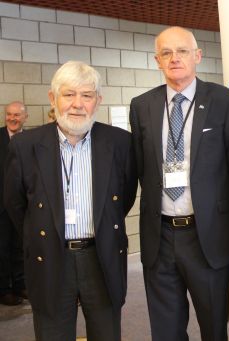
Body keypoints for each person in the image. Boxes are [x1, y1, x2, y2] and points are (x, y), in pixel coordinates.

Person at [4, 61, 137, 340]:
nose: (78, 104)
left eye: (87, 95)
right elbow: (16, 206)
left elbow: (122, 200)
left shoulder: (120, 143)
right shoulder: (25, 145)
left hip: (100, 258)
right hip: (51, 256)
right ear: (53, 98)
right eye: (69, 94)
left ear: (98, 101)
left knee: (106, 333)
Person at [129, 26, 229, 341]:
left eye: (181, 51)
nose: (174, 58)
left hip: (207, 236)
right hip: (160, 237)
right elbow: (142, 168)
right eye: (166, 53)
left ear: (197, 56)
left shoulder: (224, 101)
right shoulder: (142, 106)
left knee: (213, 327)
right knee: (165, 331)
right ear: (157, 60)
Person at [0, 101, 28, 306]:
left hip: (22, 205)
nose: (12, 118)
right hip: (1, 206)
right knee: (2, 248)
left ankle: (20, 285)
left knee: (21, 246)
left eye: (17, 115)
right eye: (9, 114)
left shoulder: (30, 140)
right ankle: (4, 289)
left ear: (24, 117)